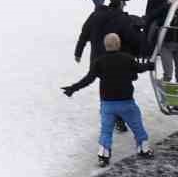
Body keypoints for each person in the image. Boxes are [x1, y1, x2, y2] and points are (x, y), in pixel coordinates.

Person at [62, 32, 154, 166]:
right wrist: (150, 66)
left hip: (107, 104)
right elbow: (139, 69)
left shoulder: (99, 61)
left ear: (105, 46)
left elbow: (88, 79)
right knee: (137, 125)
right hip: (126, 102)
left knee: (106, 130)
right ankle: (143, 148)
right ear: (119, 44)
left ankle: (103, 154)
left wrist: (73, 88)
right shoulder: (127, 58)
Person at [75, 0, 140, 64]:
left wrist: (78, 53)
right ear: (121, 2)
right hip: (114, 64)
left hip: (96, 63)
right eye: (124, 2)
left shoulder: (95, 15)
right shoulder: (122, 19)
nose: (125, 4)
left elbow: (84, 34)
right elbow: (132, 38)